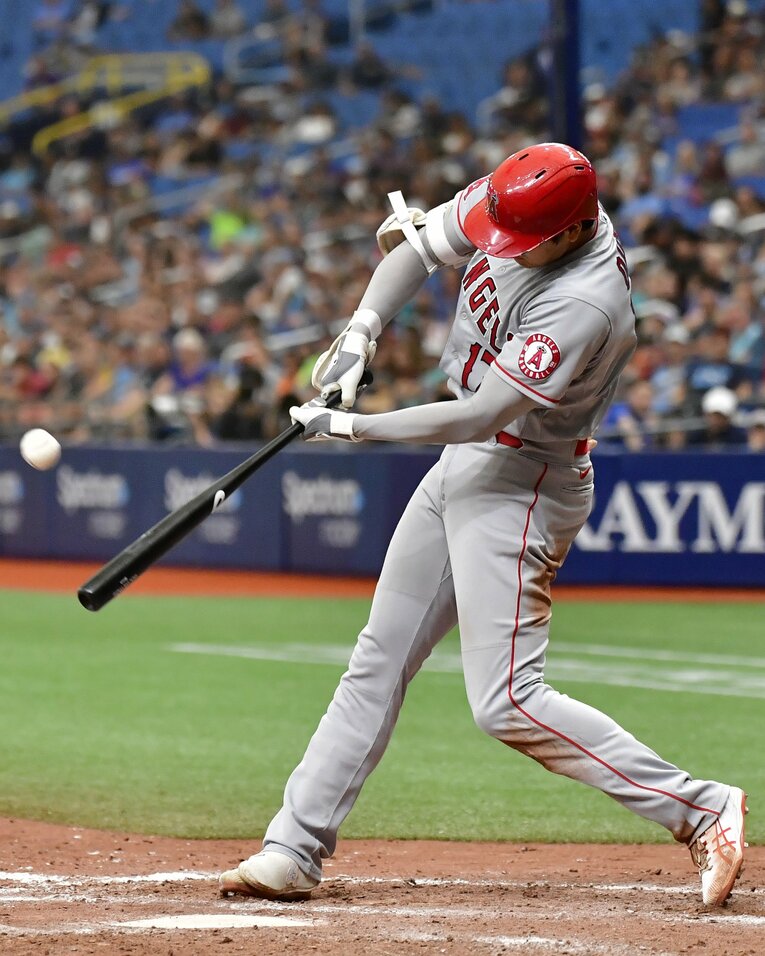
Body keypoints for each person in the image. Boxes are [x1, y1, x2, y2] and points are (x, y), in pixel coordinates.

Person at [219, 143, 747, 907]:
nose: (502, 249)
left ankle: (698, 806)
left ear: (571, 232)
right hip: (469, 469)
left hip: (522, 477)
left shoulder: (586, 298)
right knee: (379, 656)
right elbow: (416, 251)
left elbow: (480, 415)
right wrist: (361, 331)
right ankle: (294, 846)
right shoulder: (518, 196)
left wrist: (352, 429)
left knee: (505, 700)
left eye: (523, 245)